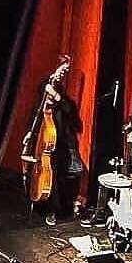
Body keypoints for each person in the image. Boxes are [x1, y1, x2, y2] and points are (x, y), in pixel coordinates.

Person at [21, 55, 83, 226]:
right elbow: (33, 120)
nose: (46, 99)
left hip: (61, 148)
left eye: (49, 95)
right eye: (45, 95)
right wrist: (28, 134)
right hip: (44, 149)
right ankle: (38, 203)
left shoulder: (62, 105)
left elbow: (72, 115)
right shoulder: (40, 106)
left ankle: (54, 211)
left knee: (55, 179)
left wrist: (56, 96)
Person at [82, 119, 132, 227]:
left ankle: (127, 223)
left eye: (130, 135)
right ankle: (100, 215)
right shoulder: (131, 145)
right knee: (105, 182)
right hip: (131, 178)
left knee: (129, 191)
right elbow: (126, 164)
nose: (128, 139)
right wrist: (124, 176)